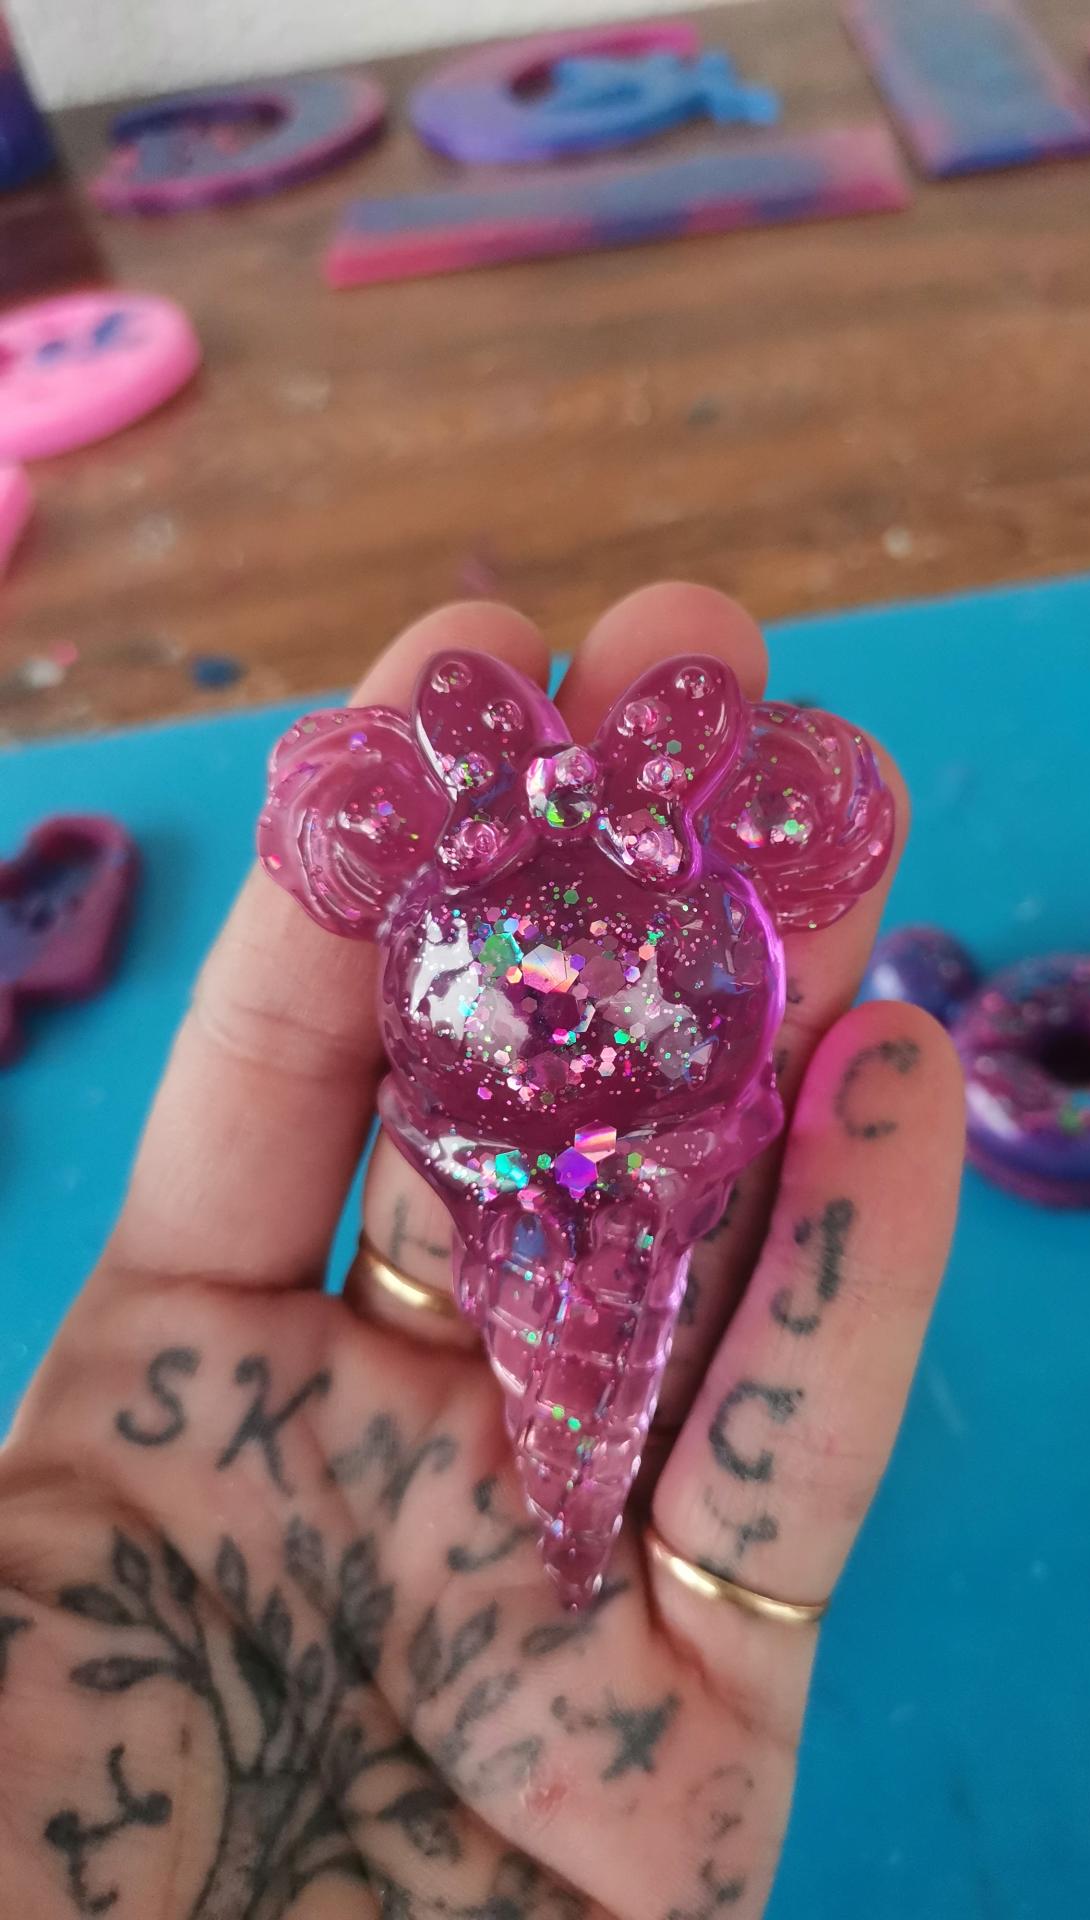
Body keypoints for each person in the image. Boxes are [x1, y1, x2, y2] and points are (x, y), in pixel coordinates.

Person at [0, 584, 965, 1918]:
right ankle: (571, 1510)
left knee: (612, 1350)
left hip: (631, 1139)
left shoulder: (677, 896)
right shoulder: (455, 905)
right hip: (509, 1147)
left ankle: (577, 1511)